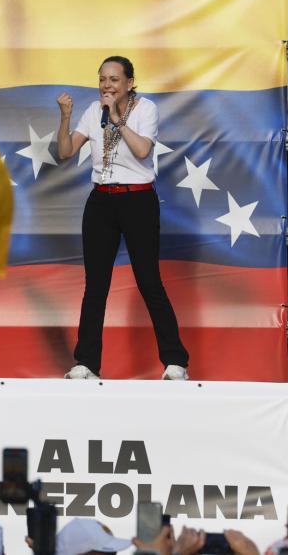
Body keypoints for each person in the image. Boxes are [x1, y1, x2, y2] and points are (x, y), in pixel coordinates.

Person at [56, 56, 189, 381]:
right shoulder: (93, 111)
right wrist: (66, 117)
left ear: (129, 83)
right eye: (102, 79)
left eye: (114, 80)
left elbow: (142, 150)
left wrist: (116, 118)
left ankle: (175, 362)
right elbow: (65, 152)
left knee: (148, 281)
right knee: (95, 286)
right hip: (101, 202)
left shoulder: (146, 110)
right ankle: (87, 363)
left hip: (138, 201)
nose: (107, 85)